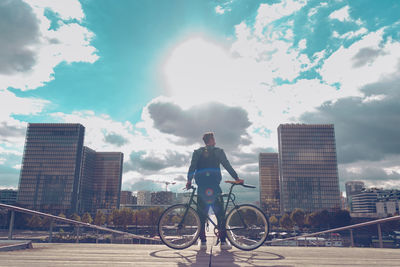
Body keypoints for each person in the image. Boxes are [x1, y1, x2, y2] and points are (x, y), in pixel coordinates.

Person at [186, 132, 244, 250]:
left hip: (202, 187)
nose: (215, 141)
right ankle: (223, 241)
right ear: (211, 140)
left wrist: (189, 181)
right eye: (214, 139)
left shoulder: (197, 152)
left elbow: (192, 167)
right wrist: (236, 178)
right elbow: (227, 165)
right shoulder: (218, 151)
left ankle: (202, 241)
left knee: (201, 215)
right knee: (220, 214)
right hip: (214, 187)